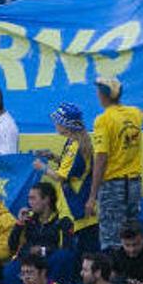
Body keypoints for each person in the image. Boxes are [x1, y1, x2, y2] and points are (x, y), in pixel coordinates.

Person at [86, 76, 143, 250]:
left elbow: (101, 158)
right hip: (134, 183)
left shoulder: (103, 120)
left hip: (113, 186)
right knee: (132, 236)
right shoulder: (135, 114)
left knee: (112, 239)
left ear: (103, 95)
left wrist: (92, 195)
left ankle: (113, 275)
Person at [35, 102, 97, 252]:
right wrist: (53, 157)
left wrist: (42, 167)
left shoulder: (75, 146)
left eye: (58, 121)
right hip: (75, 206)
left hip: (75, 207)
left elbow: (61, 177)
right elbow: (71, 168)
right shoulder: (73, 142)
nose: (55, 124)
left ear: (66, 124)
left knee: (75, 255)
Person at [5, 183, 74, 284]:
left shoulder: (63, 221)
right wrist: (19, 224)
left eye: (33, 198)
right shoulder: (28, 219)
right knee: (10, 269)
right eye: (29, 199)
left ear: (46, 199)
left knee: (63, 257)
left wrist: (43, 250)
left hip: (50, 259)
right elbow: (12, 246)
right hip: (30, 259)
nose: (29, 203)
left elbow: (68, 249)